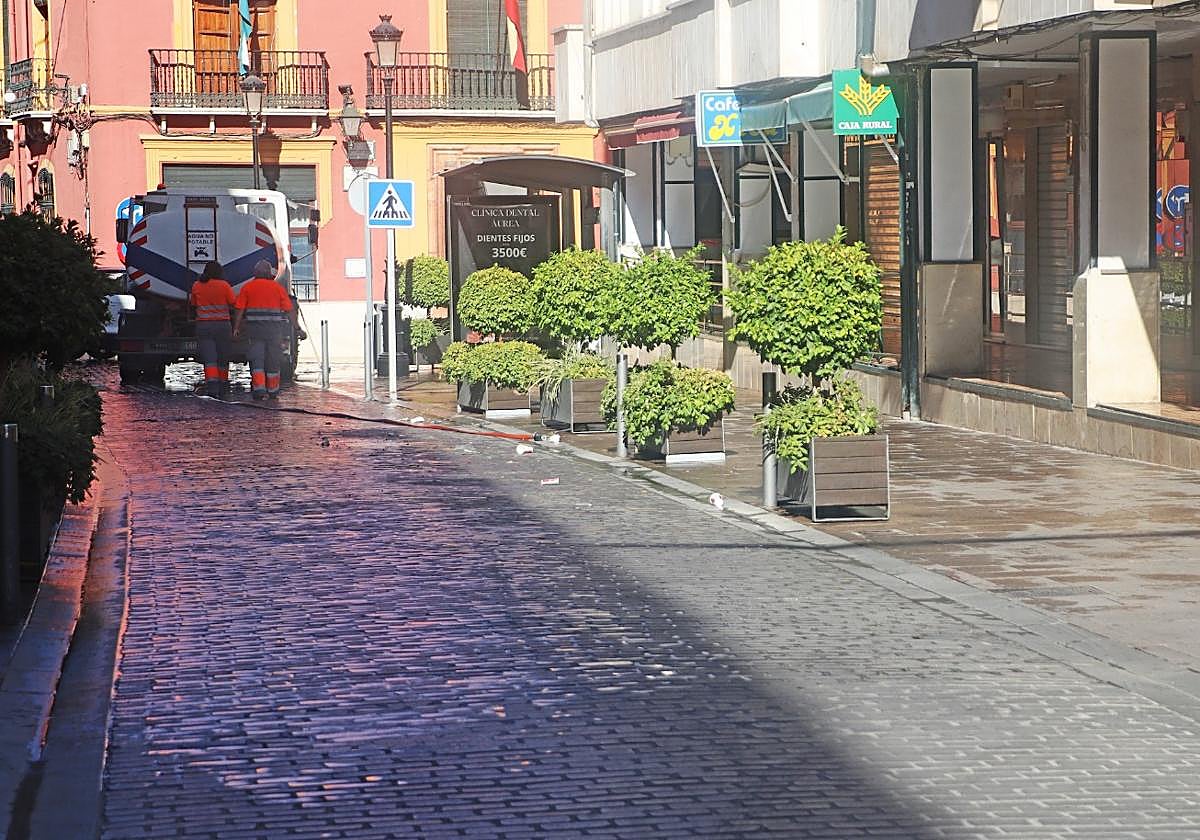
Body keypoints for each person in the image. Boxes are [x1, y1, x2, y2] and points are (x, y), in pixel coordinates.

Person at [232, 259, 295, 400]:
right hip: (274, 332)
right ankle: (273, 391)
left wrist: (236, 328)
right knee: (273, 360)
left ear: (255, 273)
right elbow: (289, 309)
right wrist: (297, 328)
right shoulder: (277, 288)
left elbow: (239, 309)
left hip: (255, 332)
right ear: (269, 273)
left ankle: (259, 390)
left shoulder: (248, 287)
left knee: (257, 360)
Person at [189, 260, 236, 396]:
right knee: (223, 356)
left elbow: (193, 304)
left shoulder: (197, 285)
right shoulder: (224, 286)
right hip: (222, 325)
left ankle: (212, 386)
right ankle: (223, 384)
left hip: (204, 325)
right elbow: (233, 303)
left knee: (210, 357)